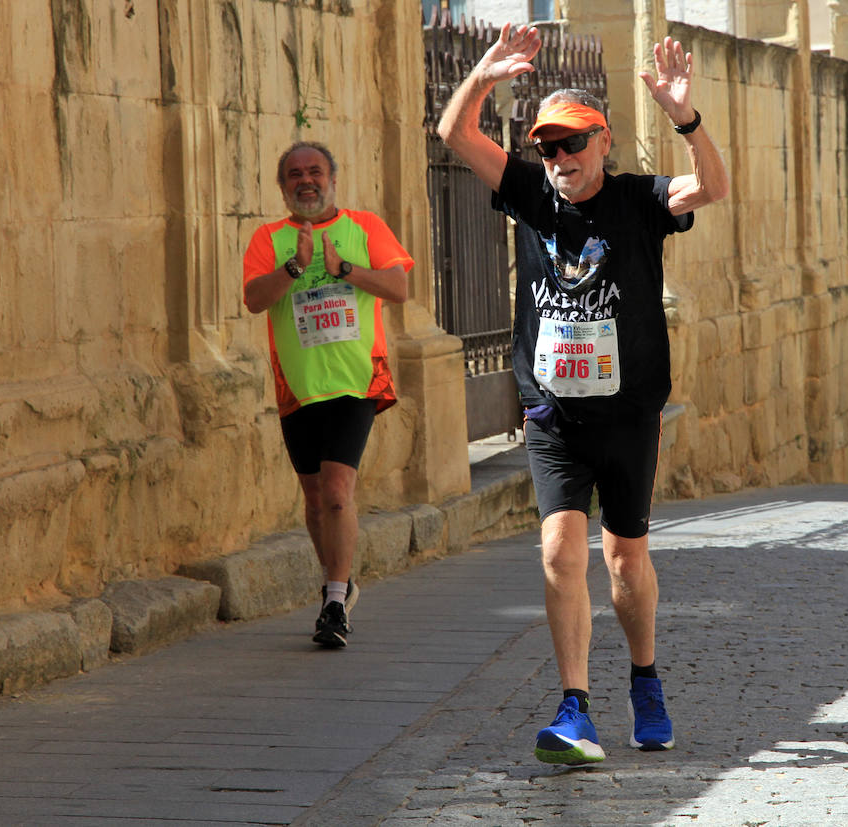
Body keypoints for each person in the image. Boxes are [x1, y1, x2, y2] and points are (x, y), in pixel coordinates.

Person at [437, 24, 729, 764]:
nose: (559, 159)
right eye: (547, 146)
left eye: (572, 143)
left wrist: (684, 117)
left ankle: (645, 679)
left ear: (602, 141)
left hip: (629, 414)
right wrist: (484, 72)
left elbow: (715, 187)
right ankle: (574, 708)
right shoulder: (531, 194)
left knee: (626, 561)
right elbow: (453, 132)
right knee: (560, 552)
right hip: (553, 414)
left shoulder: (638, 200)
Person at [242, 141, 412, 648]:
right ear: (283, 186)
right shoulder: (268, 239)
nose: (306, 180)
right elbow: (253, 300)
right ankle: (337, 582)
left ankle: (335, 604)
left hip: (355, 380)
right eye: (295, 174)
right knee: (315, 500)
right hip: (298, 386)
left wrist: (343, 270)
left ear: (333, 179)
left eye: (315, 171)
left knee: (338, 492)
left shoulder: (364, 227)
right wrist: (295, 267)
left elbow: (398, 288)